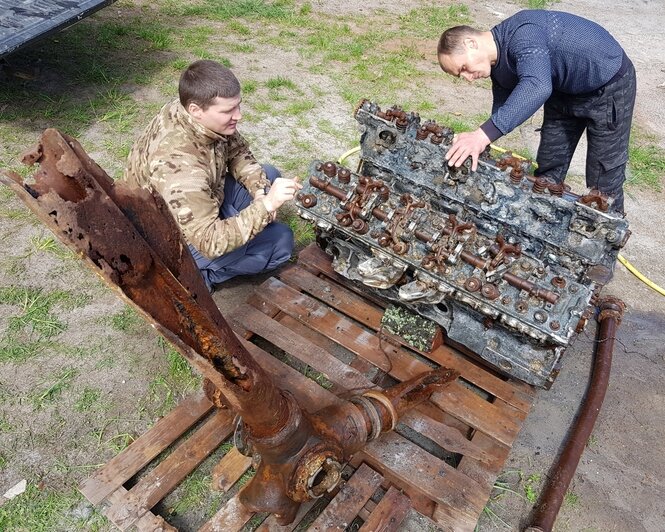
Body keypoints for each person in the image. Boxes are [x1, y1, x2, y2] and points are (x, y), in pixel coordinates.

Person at [124, 60, 301, 291]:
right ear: (196, 110)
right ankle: (197, 279)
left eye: (238, 106)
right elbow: (209, 241)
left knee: (267, 175)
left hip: (202, 200)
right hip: (171, 239)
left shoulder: (189, 110)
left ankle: (241, 229)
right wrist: (266, 207)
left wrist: (259, 193)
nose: (239, 116)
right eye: (228, 111)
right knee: (281, 242)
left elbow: (237, 150)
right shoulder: (180, 169)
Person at [437, 10, 636, 213]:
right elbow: (507, 110)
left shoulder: (524, 34)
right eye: (460, 76)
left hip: (607, 85)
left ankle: (609, 237)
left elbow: (537, 86)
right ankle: (542, 228)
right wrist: (478, 144)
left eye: (463, 68)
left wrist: (481, 136)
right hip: (562, 89)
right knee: (548, 169)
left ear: (471, 43)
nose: (468, 78)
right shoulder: (497, 64)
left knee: (603, 184)